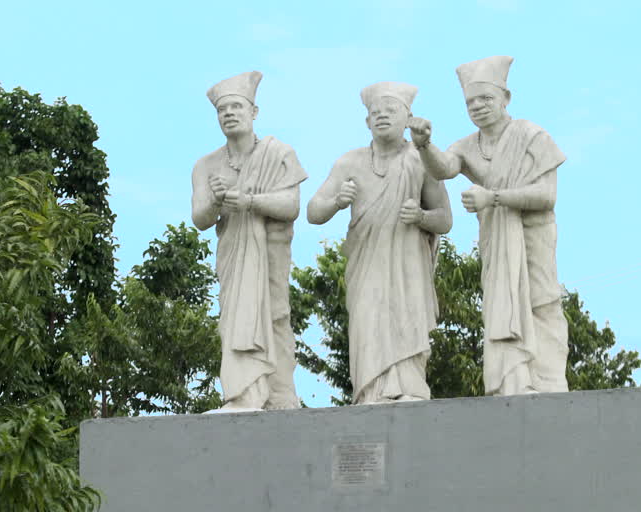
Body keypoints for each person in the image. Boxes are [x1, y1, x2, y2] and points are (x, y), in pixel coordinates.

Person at [410, 55, 568, 395]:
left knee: (539, 301)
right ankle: (512, 380)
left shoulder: (531, 136)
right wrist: (423, 144)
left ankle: (548, 380)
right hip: (497, 241)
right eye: (470, 102)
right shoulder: (468, 145)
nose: (478, 107)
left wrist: (493, 198)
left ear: (505, 98)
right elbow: (444, 168)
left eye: (486, 99)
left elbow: (546, 195)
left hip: (533, 236)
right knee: (501, 304)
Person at [307, 82, 452, 404]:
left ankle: (410, 388)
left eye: (391, 111)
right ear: (367, 122)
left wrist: (421, 218)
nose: (382, 117)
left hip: (408, 261)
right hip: (366, 261)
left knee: (407, 318)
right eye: (376, 113)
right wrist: (336, 202)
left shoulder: (421, 159)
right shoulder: (350, 162)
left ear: (408, 117)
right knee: (368, 320)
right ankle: (370, 391)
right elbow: (313, 213)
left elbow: (445, 218)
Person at [192, 71, 307, 410]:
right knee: (235, 321)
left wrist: (250, 202)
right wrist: (216, 201)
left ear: (253, 112)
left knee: (275, 318)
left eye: (236, 106)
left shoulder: (279, 153)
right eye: (222, 109)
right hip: (234, 255)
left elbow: (291, 206)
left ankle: (281, 395)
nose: (229, 113)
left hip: (270, 252)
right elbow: (200, 219)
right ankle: (243, 394)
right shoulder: (206, 165)